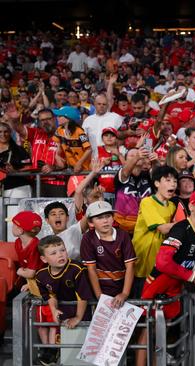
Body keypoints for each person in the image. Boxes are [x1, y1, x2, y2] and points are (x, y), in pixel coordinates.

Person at [137, 190, 195, 366]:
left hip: (175, 282)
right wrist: (192, 276)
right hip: (159, 282)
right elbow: (163, 262)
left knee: (162, 329)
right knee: (148, 330)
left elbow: (190, 259)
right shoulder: (180, 229)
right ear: (191, 206)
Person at [35, 235, 94, 365]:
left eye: (62, 250)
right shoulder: (41, 275)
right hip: (63, 311)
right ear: (44, 259)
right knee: (62, 347)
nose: (60, 255)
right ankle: (54, 355)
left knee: (79, 349)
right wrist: (54, 310)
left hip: (83, 311)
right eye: (54, 253)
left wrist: (78, 317)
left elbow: (82, 296)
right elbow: (50, 295)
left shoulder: (77, 269)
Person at [12, 211, 56, 363]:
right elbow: (29, 271)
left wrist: (19, 272)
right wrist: (28, 283)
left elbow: (30, 272)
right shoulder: (18, 243)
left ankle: (52, 351)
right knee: (41, 321)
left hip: (48, 289)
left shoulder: (36, 245)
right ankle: (45, 350)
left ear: (21, 229)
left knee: (51, 322)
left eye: (14, 224)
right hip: (35, 288)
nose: (12, 226)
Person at [132, 165, 178, 295]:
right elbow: (163, 228)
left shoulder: (173, 206)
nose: (173, 184)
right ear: (157, 183)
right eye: (168, 180)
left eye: (175, 181)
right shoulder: (147, 202)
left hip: (161, 264)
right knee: (141, 306)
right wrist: (188, 223)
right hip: (142, 266)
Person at [80, 201, 136, 308]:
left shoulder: (123, 235)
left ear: (113, 218)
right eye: (99, 218)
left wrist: (124, 293)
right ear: (91, 223)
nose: (105, 220)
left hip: (122, 286)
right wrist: (99, 296)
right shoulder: (88, 238)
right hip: (98, 289)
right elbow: (91, 269)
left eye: (108, 216)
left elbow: (131, 266)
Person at [52, 106, 92, 173]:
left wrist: (79, 164)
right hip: (70, 169)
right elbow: (58, 145)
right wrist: (57, 156)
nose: (57, 118)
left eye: (60, 116)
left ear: (68, 118)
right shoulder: (59, 130)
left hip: (83, 169)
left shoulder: (79, 132)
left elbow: (89, 149)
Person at [0, 122, 32, 198]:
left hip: (17, 188)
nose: (3, 134)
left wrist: (15, 171)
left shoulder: (19, 150)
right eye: (0, 132)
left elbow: (30, 169)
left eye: (6, 132)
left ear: (10, 133)